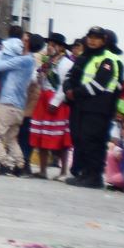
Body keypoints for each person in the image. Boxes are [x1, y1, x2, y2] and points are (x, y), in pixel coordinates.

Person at [66, 27, 124, 188]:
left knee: (93, 141)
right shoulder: (86, 56)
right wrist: (68, 88)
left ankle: (94, 176)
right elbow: (71, 76)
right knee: (82, 140)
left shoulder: (108, 59)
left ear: (104, 40)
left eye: (96, 38)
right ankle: (85, 173)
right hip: (83, 105)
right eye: (90, 37)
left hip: (99, 107)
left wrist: (75, 93)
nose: (92, 40)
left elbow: (99, 84)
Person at [0, 35, 38, 176]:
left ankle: (4, 163)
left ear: (28, 43)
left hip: (8, 103)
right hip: (18, 105)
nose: (21, 42)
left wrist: (1, 52)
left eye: (25, 39)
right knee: (10, 138)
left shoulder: (24, 60)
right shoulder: (29, 60)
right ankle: (20, 165)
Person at [27, 32, 73, 178]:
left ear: (60, 47)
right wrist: (37, 75)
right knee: (41, 135)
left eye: (53, 45)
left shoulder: (66, 63)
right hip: (43, 98)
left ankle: (63, 171)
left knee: (60, 139)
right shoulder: (47, 62)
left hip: (57, 101)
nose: (50, 47)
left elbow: (64, 85)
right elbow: (36, 78)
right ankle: (42, 170)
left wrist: (55, 102)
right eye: (49, 45)